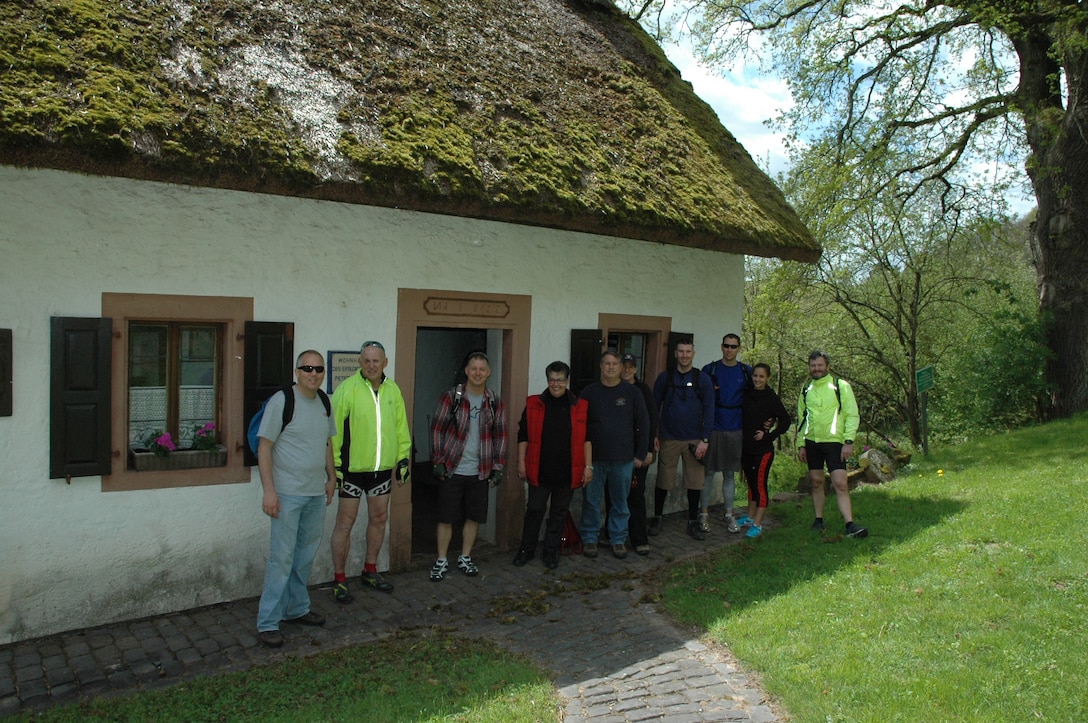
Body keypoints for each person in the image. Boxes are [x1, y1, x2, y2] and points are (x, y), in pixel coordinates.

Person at [255, 351, 337, 648]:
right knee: (282, 558)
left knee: (304, 556)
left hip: (315, 492)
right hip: (287, 494)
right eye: (307, 369)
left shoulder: (325, 402)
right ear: (297, 371)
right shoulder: (282, 401)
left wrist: (332, 477)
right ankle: (267, 622)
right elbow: (264, 447)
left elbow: (326, 442)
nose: (313, 374)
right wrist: (269, 491)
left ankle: (296, 608)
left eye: (318, 369)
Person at [329, 340, 412, 602]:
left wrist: (403, 459)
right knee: (345, 523)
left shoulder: (393, 390)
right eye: (366, 360)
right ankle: (340, 579)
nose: (371, 365)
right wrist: (336, 468)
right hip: (351, 471)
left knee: (378, 519)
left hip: (381, 471)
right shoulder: (347, 389)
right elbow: (334, 433)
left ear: (385, 362)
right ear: (359, 362)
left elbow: (401, 427)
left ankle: (370, 570)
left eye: (376, 360)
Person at [429, 351, 508, 580]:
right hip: (452, 468)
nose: (477, 373)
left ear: (488, 372)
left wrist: (498, 466)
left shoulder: (494, 401)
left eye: (482, 369)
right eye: (473, 369)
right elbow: (437, 428)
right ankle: (441, 560)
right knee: (446, 517)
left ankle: (465, 557)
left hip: (480, 470)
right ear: (466, 370)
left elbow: (500, 435)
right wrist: (438, 461)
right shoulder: (452, 397)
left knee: (473, 517)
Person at [513, 361, 591, 570]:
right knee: (535, 510)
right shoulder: (533, 404)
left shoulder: (580, 406)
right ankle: (526, 550)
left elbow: (587, 439)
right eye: (552, 379)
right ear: (547, 380)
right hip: (540, 470)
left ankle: (551, 552)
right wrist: (521, 462)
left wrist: (588, 467)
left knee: (558, 513)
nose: (556, 384)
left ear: (567, 380)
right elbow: (523, 435)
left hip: (567, 471)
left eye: (560, 380)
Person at [579, 350, 649, 559]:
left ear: (620, 368)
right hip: (594, 459)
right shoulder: (589, 392)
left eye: (615, 364)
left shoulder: (632, 393)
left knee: (620, 502)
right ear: (601, 367)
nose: (611, 367)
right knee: (591, 501)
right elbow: (580, 426)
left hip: (623, 458)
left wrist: (640, 453)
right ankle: (590, 538)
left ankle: (618, 539)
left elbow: (643, 423)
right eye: (607, 363)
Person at [797, 350, 869, 538]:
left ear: (827, 366)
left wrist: (848, 441)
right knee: (816, 481)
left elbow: (852, 414)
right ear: (809, 367)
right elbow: (801, 418)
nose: (817, 369)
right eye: (813, 366)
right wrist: (800, 445)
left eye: (820, 365)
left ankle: (850, 524)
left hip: (835, 442)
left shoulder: (840, 386)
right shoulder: (806, 389)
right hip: (812, 442)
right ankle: (818, 520)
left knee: (840, 483)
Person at [650, 340, 715, 540]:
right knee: (663, 480)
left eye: (688, 352)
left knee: (695, 482)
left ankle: (693, 521)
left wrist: (705, 439)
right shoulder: (665, 378)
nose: (684, 355)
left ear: (693, 354)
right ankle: (657, 517)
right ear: (675, 354)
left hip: (695, 439)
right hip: (669, 437)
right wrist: (654, 434)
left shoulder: (702, 379)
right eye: (681, 351)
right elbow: (654, 407)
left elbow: (710, 409)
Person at [700, 333, 752, 533]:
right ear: (721, 347)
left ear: (739, 348)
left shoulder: (746, 372)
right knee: (709, 473)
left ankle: (729, 514)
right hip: (713, 426)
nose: (729, 349)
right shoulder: (710, 370)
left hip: (736, 427)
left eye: (733, 346)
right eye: (726, 346)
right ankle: (703, 513)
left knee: (730, 473)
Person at [738, 363, 791, 538]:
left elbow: (785, 421)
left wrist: (768, 435)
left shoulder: (771, 398)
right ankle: (750, 516)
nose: (758, 379)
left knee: (760, 485)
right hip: (746, 448)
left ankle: (758, 524)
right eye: (755, 376)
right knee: (751, 484)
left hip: (763, 450)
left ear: (767, 378)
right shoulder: (747, 393)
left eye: (761, 376)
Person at [620, 352, 658, 555]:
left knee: (635, 497)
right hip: (617, 453)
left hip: (638, 453)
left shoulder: (643, 390)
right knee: (615, 497)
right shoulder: (614, 388)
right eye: (623, 366)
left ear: (636, 369)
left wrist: (648, 451)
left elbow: (651, 421)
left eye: (630, 366)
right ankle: (615, 536)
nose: (626, 370)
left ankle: (639, 538)